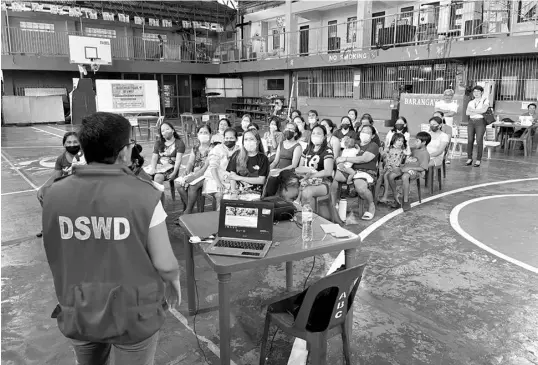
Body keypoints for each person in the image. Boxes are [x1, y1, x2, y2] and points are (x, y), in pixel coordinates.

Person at [41, 112, 180, 364]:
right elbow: (165, 264)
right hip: (132, 314)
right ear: (124, 152)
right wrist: (174, 282)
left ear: (83, 148)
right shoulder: (144, 196)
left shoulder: (53, 195)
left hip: (78, 307)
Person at [36, 131, 85, 238]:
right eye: (69, 142)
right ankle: (49, 225)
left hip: (82, 188)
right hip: (66, 188)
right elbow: (55, 176)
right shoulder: (61, 159)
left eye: (75, 142)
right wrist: (43, 187)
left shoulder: (85, 156)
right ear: (64, 144)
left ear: (80, 143)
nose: (72, 145)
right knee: (43, 194)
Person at [331, 124, 379, 221]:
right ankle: (333, 204)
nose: (364, 134)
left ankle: (371, 204)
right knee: (332, 176)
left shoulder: (373, 146)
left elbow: (364, 159)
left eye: (368, 132)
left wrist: (345, 158)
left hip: (365, 172)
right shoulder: (354, 143)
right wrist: (340, 163)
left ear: (373, 136)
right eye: (363, 131)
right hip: (348, 169)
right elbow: (342, 151)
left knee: (360, 187)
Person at [387, 132, 431, 211]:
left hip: (416, 171)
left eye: (417, 141)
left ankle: (406, 201)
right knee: (390, 175)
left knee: (405, 176)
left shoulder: (425, 154)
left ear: (424, 143)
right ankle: (395, 195)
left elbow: (423, 168)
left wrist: (411, 169)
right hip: (405, 168)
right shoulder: (415, 149)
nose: (415, 143)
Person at [176, 125, 212, 214]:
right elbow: (191, 162)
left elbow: (205, 167)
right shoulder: (195, 148)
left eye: (206, 132)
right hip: (195, 172)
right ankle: (191, 207)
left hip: (207, 173)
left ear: (210, 134)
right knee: (178, 183)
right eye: (201, 132)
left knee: (192, 185)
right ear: (197, 134)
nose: (203, 134)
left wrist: (194, 177)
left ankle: (188, 211)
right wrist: (187, 171)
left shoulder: (213, 148)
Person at [297, 125, 335, 207]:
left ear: (324, 136)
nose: (315, 135)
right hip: (306, 179)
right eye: (313, 133)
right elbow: (300, 167)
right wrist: (302, 176)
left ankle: (309, 216)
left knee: (307, 192)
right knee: (289, 186)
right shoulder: (308, 149)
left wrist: (311, 176)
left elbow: (328, 172)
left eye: (318, 134)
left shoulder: (327, 151)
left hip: (324, 182)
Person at [203, 128, 240, 210]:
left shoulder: (239, 150)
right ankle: (217, 216)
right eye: (226, 138)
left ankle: (226, 217)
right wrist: (219, 183)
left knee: (231, 196)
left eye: (231, 138)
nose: (228, 140)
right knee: (219, 195)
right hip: (215, 178)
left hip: (232, 180)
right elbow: (213, 167)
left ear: (236, 139)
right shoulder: (217, 149)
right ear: (223, 139)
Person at [226, 130, 269, 194]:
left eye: (251, 139)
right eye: (246, 139)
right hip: (239, 191)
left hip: (257, 193)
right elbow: (232, 175)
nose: (248, 142)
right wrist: (233, 190)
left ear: (258, 142)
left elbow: (261, 180)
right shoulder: (236, 155)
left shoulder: (263, 158)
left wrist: (239, 178)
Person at [377, 133, 408, 204]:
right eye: (398, 140)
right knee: (383, 176)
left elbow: (398, 163)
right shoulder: (391, 149)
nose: (400, 142)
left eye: (402, 141)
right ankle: (383, 195)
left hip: (398, 169)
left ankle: (385, 196)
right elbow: (387, 159)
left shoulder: (402, 151)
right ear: (394, 141)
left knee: (385, 176)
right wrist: (384, 153)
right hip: (390, 168)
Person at [465, 85, 489, 167]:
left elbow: (484, 110)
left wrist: (473, 110)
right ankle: (469, 158)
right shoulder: (471, 102)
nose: (476, 93)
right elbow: (467, 113)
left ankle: (478, 159)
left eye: (478, 91)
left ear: (482, 92)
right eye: (474, 91)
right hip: (471, 122)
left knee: (479, 140)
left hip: (480, 122)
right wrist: (478, 111)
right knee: (470, 140)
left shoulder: (485, 100)